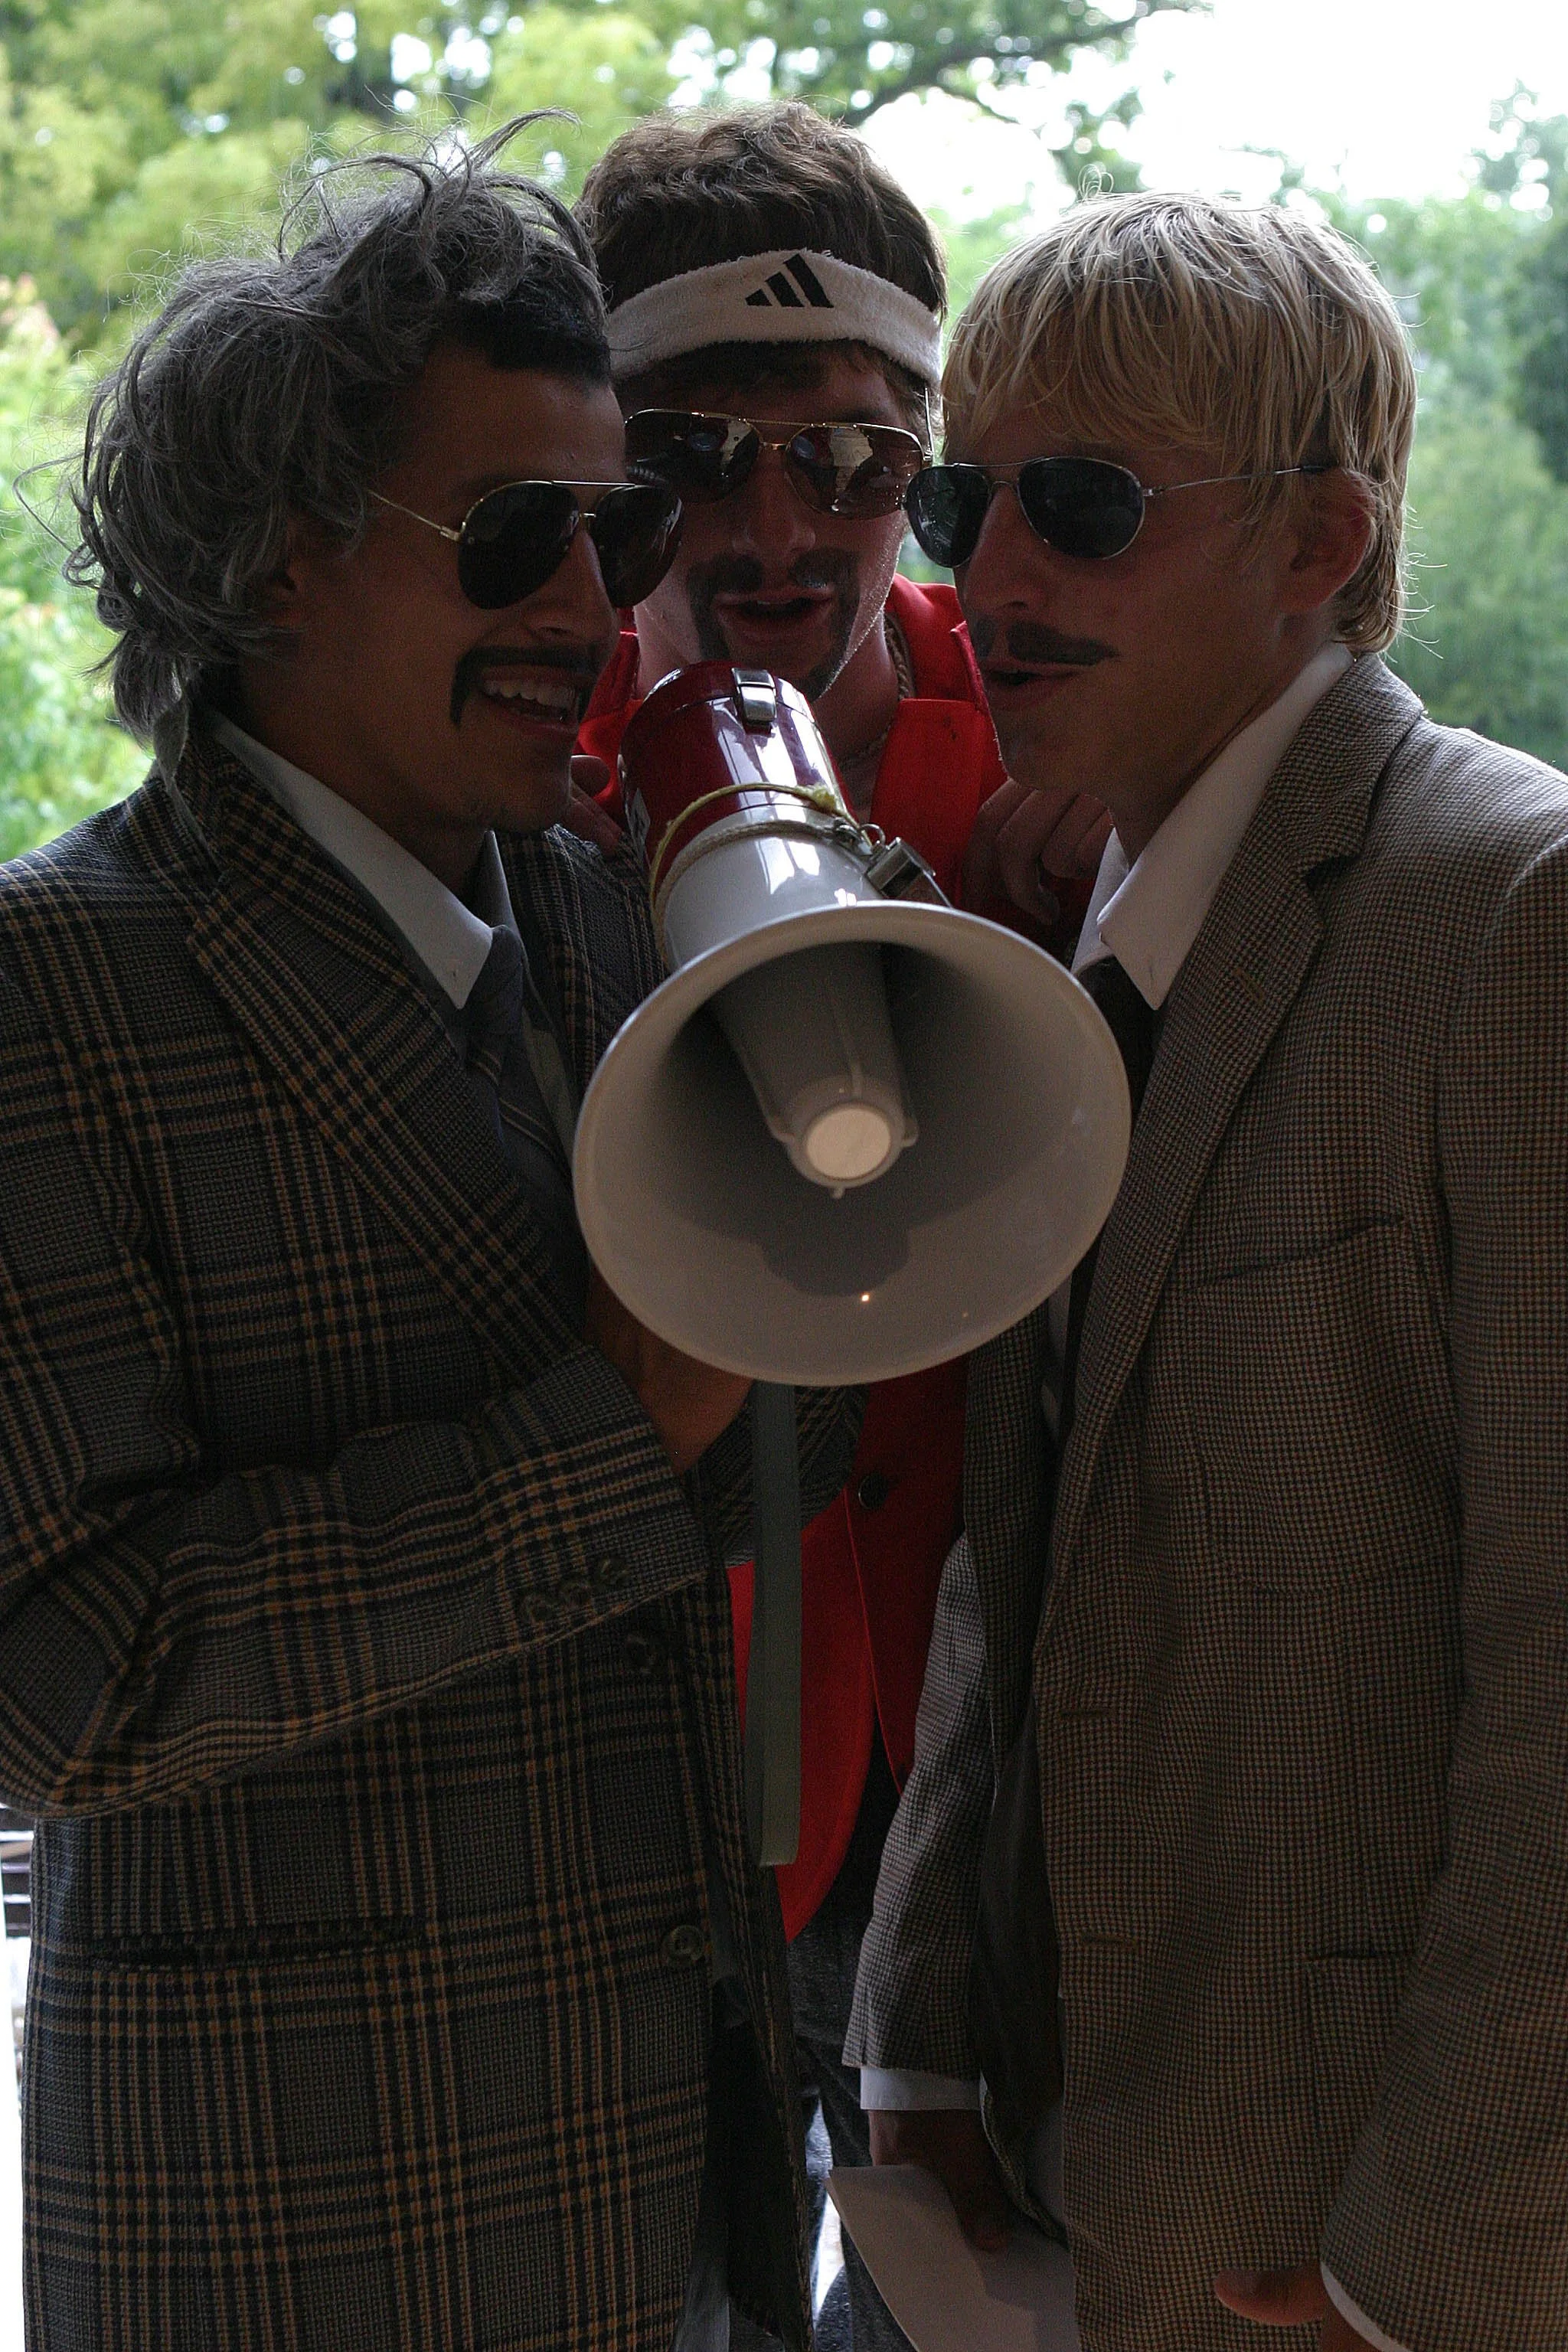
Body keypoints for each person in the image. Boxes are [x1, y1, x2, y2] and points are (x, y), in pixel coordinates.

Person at [0, 128, 861, 2352]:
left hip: (681, 2217)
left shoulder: (610, 911)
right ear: (273, 562)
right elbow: (51, 1684)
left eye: (622, 528)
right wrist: (602, 1437)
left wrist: (881, 1117)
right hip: (298, 2235)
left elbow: (776, 1453)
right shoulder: (53, 989)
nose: (591, 607)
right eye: (512, 538)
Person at [850, 191, 1568, 2352]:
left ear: (1324, 541)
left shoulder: (1515, 910)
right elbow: (1028, 1549)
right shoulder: (1100, 921)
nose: (985, 577)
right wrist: (922, 2043)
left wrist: (1411, 2273)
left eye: (1080, 505)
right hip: (1054, 2212)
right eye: (969, 497)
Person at [570, 102, 1108, 2351]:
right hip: (667, 1736)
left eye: (861, 463)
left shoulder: (1070, 764)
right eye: (699, 458)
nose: (784, 529)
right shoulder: (519, 774)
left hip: (1004, 1748)